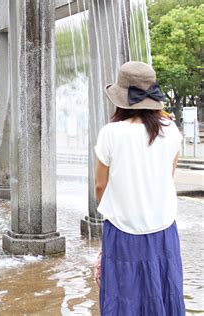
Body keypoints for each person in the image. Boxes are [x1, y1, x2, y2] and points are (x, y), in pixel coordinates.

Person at [94, 61, 185, 315]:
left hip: (122, 231)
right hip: (164, 228)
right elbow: (168, 176)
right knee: (164, 292)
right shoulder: (171, 130)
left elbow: (100, 186)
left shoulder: (110, 133)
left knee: (124, 295)